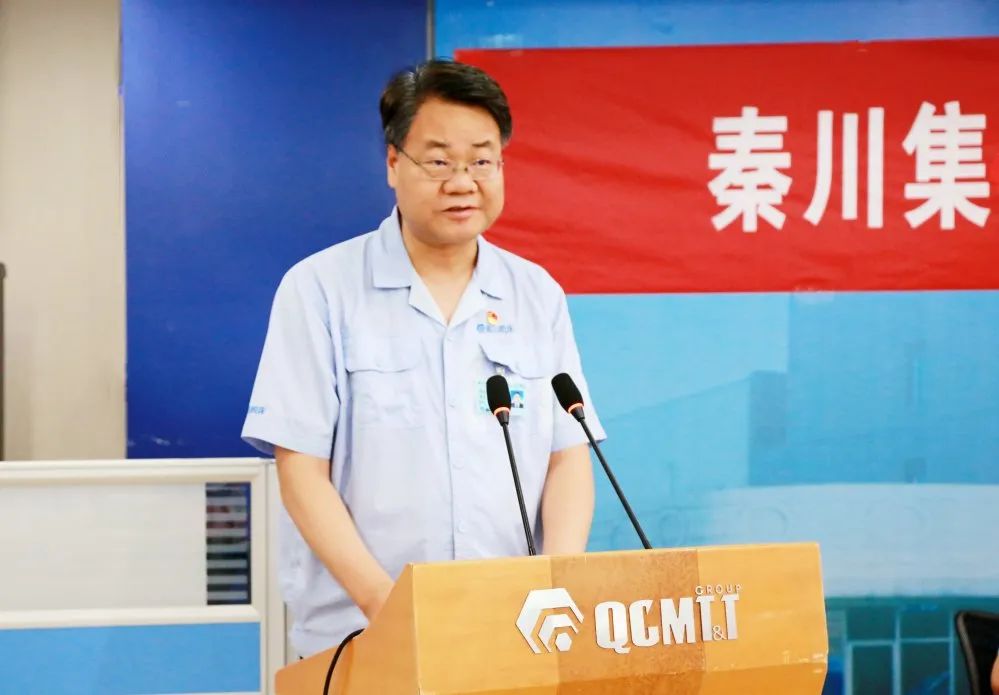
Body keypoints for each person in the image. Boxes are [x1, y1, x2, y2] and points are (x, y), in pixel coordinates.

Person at [242, 59, 604, 658]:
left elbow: (566, 455)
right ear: (393, 163)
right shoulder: (321, 289)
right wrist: (384, 606)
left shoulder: (535, 293)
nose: (463, 182)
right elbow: (301, 468)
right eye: (439, 162)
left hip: (512, 631)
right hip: (361, 634)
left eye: (482, 161)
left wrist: (556, 584)